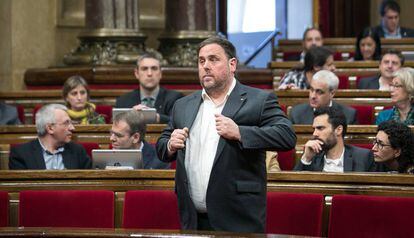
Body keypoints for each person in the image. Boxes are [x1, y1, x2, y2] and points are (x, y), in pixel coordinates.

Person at [156, 36, 296, 232]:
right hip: (193, 220)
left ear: (232, 64)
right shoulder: (183, 105)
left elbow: (287, 136)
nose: (205, 66)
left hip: (238, 219)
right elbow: (162, 145)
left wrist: (240, 132)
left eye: (213, 59)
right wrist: (170, 144)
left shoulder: (259, 100)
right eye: (201, 61)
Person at [9, 104, 91, 170]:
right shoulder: (21, 154)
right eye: (66, 123)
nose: (72, 128)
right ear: (50, 128)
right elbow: (22, 189)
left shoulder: (78, 151)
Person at [294, 107, 375, 172]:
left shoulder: (363, 157)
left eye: (320, 128)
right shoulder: (312, 156)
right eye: (314, 129)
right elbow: (294, 187)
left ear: (338, 130)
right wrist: (306, 158)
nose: (314, 134)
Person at [115, 53, 183, 123]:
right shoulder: (123, 101)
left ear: (160, 73)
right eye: (144, 69)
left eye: (154, 68)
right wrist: (130, 116)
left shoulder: (175, 98)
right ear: (137, 73)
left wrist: (156, 117)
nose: (149, 73)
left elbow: (179, 122)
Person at [289, 70, 357, 124]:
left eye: (319, 92)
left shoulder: (348, 115)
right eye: (311, 90)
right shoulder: (296, 114)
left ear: (332, 93)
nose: (313, 96)